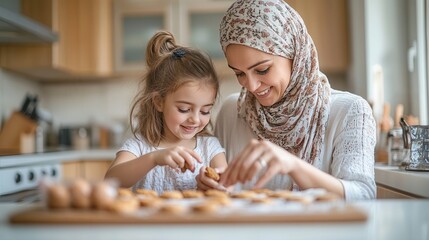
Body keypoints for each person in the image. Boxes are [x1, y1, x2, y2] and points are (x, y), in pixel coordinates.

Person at [196, 0, 376, 200]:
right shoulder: (232, 111)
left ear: (294, 53)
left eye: (262, 70)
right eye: (240, 73)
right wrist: (210, 185)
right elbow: (223, 193)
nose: (252, 86)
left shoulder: (349, 111)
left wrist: (292, 165)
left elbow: (364, 197)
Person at [105, 30, 227, 194]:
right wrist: (154, 158)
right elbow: (111, 181)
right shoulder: (140, 146)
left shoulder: (210, 148)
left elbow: (226, 184)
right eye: (184, 109)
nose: (195, 119)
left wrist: (213, 184)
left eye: (205, 111)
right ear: (159, 102)